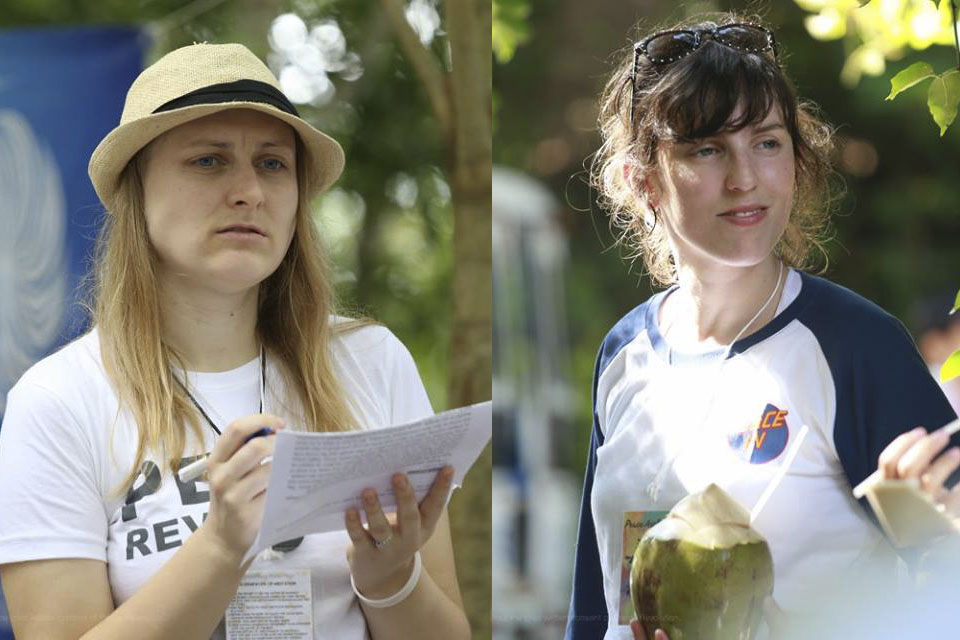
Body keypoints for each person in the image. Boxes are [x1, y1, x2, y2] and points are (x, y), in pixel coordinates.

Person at [0, 43, 470, 640]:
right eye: (209, 161)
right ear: (135, 190)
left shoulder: (371, 363)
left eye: (274, 164)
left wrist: (389, 579)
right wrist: (220, 547)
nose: (249, 190)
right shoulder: (59, 399)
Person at [565, 14, 960, 640]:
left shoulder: (856, 345)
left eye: (767, 142)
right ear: (643, 181)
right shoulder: (624, 354)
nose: (744, 177)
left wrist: (932, 539)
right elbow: (596, 606)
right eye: (707, 148)